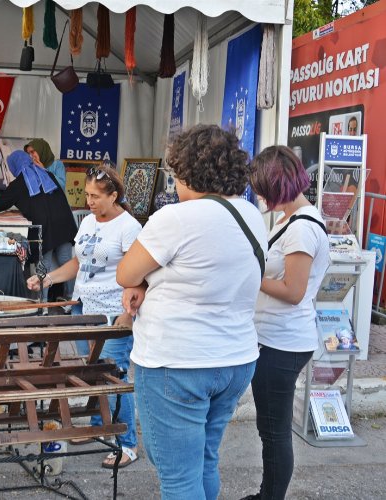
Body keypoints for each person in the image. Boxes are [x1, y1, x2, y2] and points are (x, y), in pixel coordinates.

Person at [116, 124, 267, 499]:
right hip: (235, 358)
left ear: (185, 171)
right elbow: (205, 272)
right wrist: (147, 283)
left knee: (179, 477)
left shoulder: (176, 219)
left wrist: (142, 282)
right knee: (204, 462)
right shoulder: (251, 215)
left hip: (178, 361)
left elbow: (125, 273)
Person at [27, 163, 141, 469]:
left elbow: (137, 276)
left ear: (113, 195)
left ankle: (127, 443)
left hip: (112, 314)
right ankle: (95, 425)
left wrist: (128, 315)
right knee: (90, 373)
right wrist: (47, 279)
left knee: (113, 376)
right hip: (82, 307)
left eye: (95, 196)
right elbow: (78, 263)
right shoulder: (89, 221)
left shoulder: (129, 227)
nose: (88, 201)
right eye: (87, 194)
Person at [242, 146, 329, 500]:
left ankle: (270, 497)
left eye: (262, 187)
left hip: (283, 341)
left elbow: (293, 291)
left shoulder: (301, 228)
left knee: (274, 430)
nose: (259, 195)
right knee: (270, 428)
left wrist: (249, 275)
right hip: (276, 337)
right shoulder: (289, 219)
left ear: (278, 183)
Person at [0, 150, 77, 301]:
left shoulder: (20, 183)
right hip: (64, 224)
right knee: (67, 262)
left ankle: (43, 304)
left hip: (45, 229)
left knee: (44, 266)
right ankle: (71, 299)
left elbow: (0, 204)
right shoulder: (47, 174)